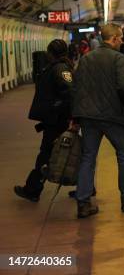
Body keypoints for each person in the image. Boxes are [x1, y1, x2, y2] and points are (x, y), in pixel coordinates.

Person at [72, 23, 124, 218]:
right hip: (112, 116)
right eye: (120, 39)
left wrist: (76, 115)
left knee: (88, 158)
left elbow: (76, 88)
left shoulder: (86, 58)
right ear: (114, 38)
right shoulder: (119, 58)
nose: (121, 42)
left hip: (87, 116)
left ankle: (83, 203)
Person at [14, 40, 74, 202]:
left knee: (47, 155)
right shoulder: (57, 67)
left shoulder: (60, 69)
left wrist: (54, 109)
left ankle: (32, 189)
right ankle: (86, 188)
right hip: (55, 120)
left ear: (51, 52)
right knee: (56, 154)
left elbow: (68, 94)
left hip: (57, 121)